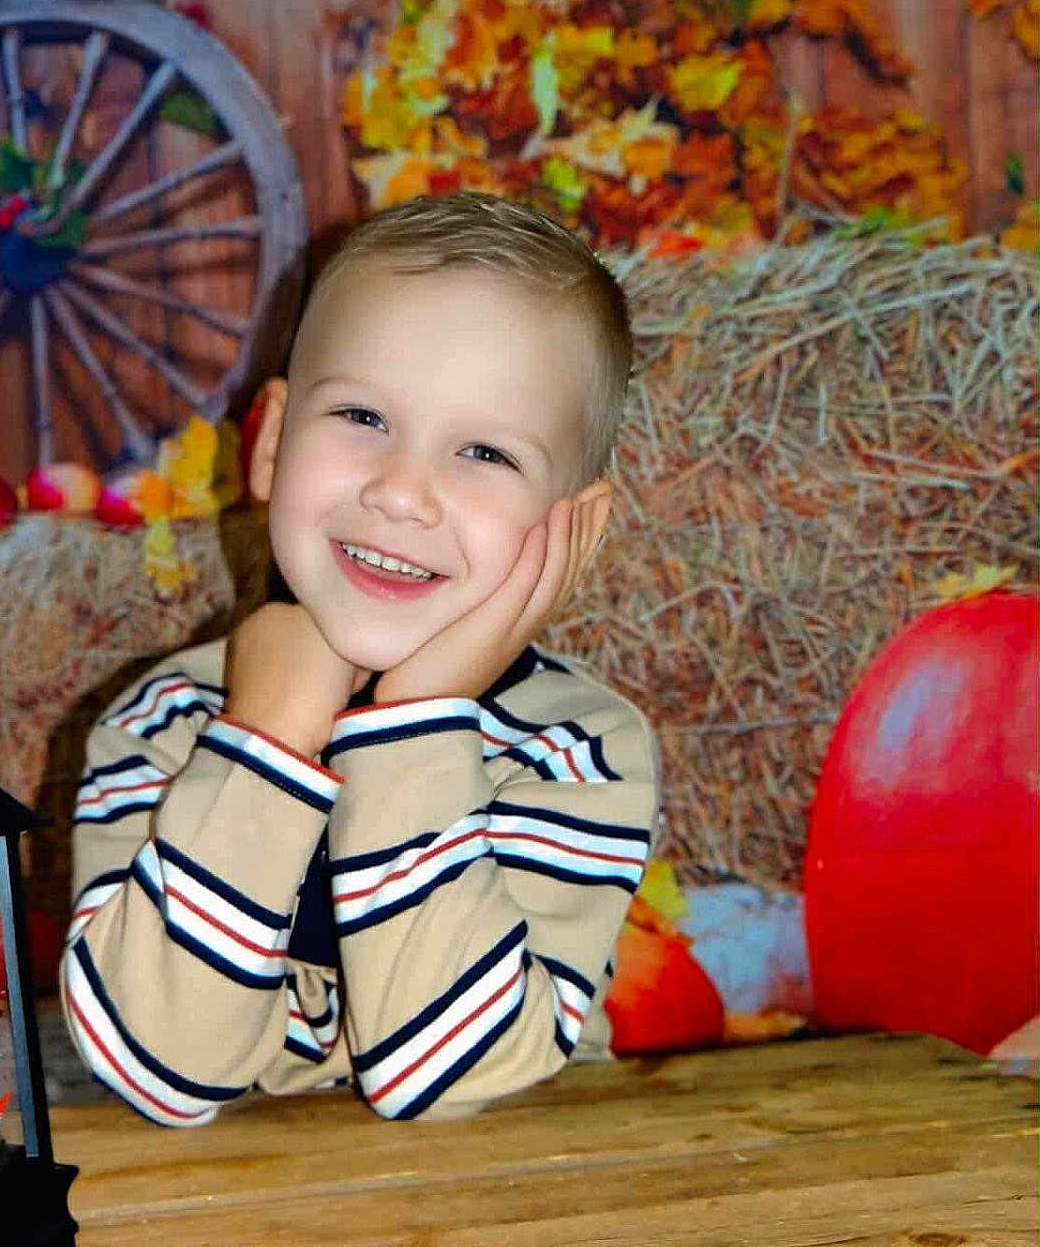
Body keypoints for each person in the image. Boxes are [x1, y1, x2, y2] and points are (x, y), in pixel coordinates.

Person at [62, 192, 659, 1124]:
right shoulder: (167, 725)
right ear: (268, 446)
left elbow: (452, 1082)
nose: (402, 492)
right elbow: (156, 1070)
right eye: (363, 419)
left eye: (484, 452)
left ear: (574, 530)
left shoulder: (578, 753)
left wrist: (416, 722)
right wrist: (268, 737)